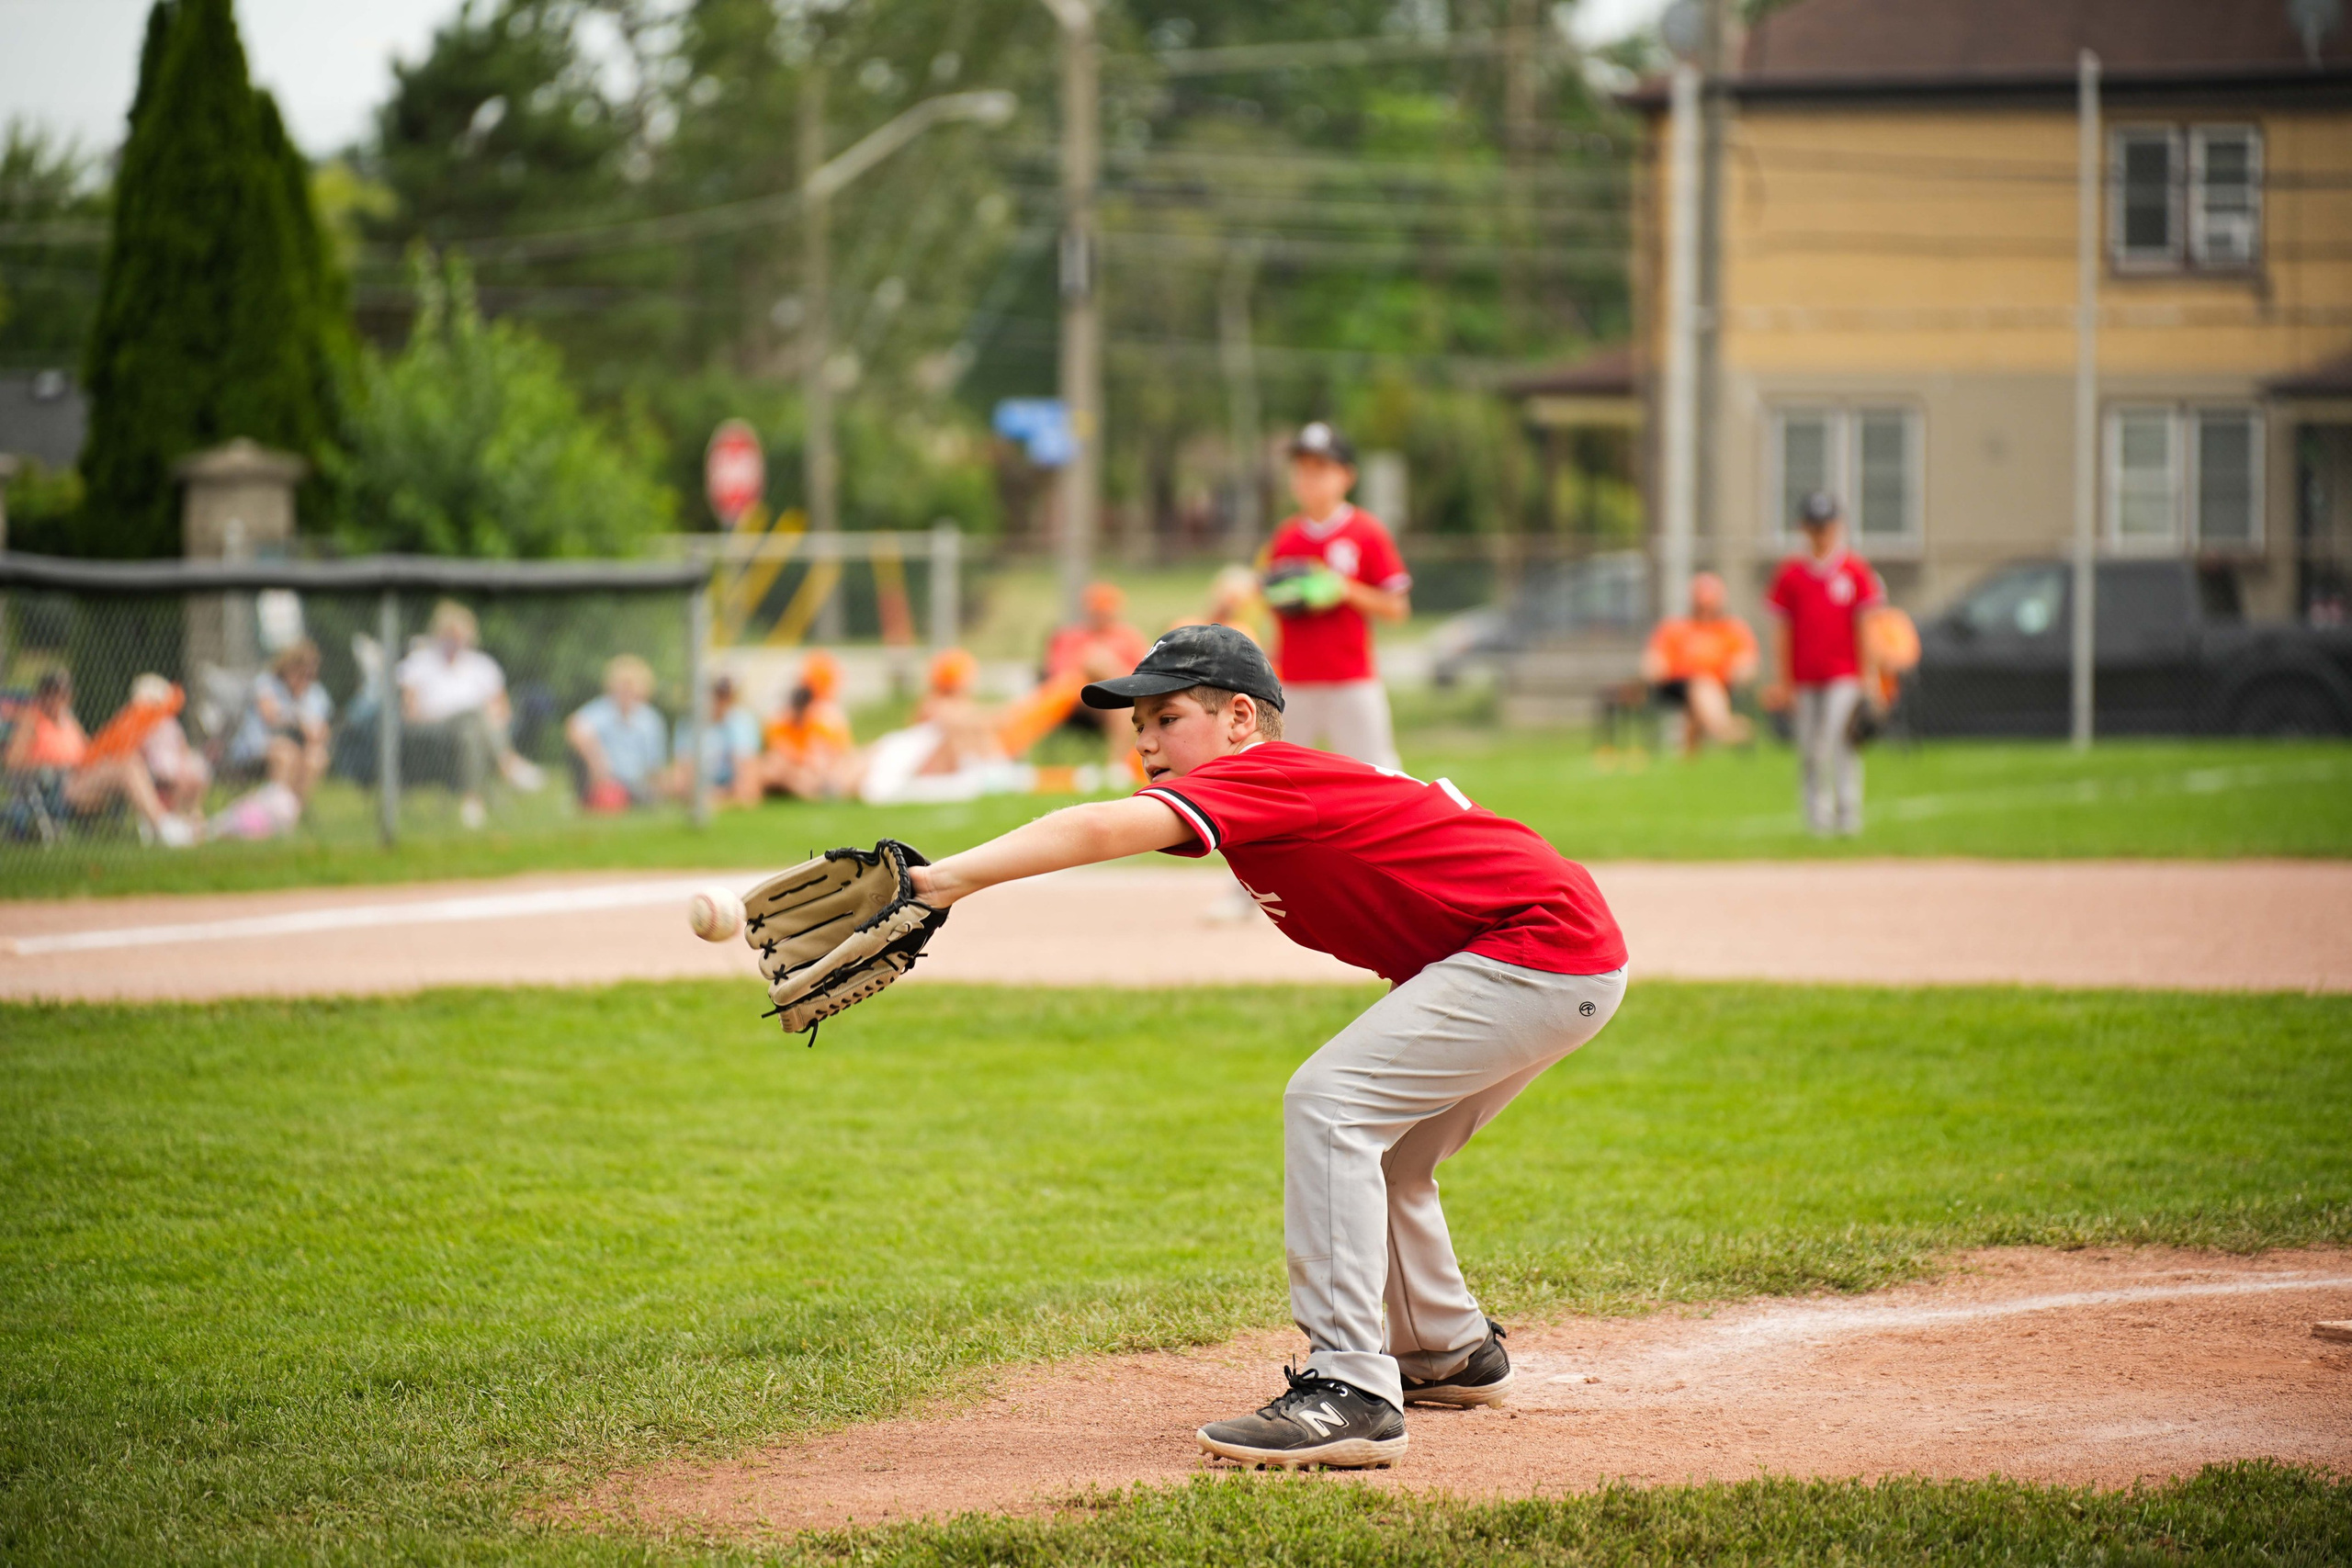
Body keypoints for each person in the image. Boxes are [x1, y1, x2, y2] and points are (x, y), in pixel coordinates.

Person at [902, 625, 1627, 1469]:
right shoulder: (1269, 793)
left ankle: (1351, 1387)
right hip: (1546, 952)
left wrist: (937, 880)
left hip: (1538, 951)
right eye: (1138, 724)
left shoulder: (1263, 773)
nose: (1144, 741)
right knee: (1385, 1149)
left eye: (1167, 716)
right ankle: (1443, 1347)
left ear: (1240, 716)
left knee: (1331, 1103)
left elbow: (1102, 829)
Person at [1260, 422, 1410, 770]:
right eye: (1301, 469)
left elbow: (1397, 608)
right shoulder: (1286, 539)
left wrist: (1344, 589)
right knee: (1281, 776)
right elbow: (1274, 609)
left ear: (1346, 476)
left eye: (1320, 469)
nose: (1308, 479)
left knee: (1378, 777)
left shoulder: (1366, 532)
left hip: (1351, 680)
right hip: (1293, 682)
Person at [1764, 491, 1886, 836]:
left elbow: (1866, 629)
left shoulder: (1854, 571)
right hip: (1804, 676)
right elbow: (1781, 632)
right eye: (1814, 526)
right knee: (1810, 749)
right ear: (1803, 528)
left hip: (1844, 674)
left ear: (1838, 526)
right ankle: (1817, 818)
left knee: (1840, 741)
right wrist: (1783, 681)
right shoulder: (1791, 575)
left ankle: (1848, 814)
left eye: (1826, 525)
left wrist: (1870, 678)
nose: (1820, 533)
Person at [4, 671, 197, 845]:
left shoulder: (68, 720)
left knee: (130, 759)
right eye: (52, 693)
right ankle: (164, 826)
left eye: (63, 693)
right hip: (57, 784)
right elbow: (12, 762)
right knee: (125, 767)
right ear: (42, 695)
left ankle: (166, 822)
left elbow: (86, 749)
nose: (58, 699)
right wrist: (51, 766)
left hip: (82, 775)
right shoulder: (31, 719)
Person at [396, 600, 543, 829]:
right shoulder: (419, 663)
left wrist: (491, 720)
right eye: (449, 634)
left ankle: (472, 802)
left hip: (475, 731)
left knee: (470, 730)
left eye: (459, 634)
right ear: (438, 633)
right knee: (471, 715)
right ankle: (508, 764)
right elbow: (410, 711)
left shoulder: (483, 665)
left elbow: (502, 709)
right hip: (431, 730)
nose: (455, 640)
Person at [1640, 571, 1758, 755]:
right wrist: (1656, 668)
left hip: (1720, 685)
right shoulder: (1675, 628)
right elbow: (1654, 661)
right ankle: (1725, 728)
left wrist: (1740, 672)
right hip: (1679, 685)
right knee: (1701, 685)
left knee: (1702, 692)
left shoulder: (1732, 629)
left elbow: (1746, 662)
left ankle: (1689, 756)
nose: (1705, 610)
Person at [1045, 581, 1150, 767]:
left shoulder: (1129, 637)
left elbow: (1145, 673)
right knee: (1095, 659)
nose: (1101, 615)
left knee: (1122, 705)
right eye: (1097, 610)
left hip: (1123, 702)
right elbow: (1059, 677)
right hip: (1080, 700)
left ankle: (1118, 765)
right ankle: (1119, 765)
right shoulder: (1071, 637)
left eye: (1106, 610)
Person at [227, 640, 333, 805]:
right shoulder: (266, 683)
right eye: (301, 673)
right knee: (286, 754)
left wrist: (314, 732)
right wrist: (300, 722)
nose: (305, 679)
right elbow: (270, 716)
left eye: (310, 675)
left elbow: (321, 731)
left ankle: (293, 810)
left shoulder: (316, 693)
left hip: (298, 747)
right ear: (288, 668)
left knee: (317, 757)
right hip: (256, 745)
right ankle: (275, 809)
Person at [567, 655, 672, 811]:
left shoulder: (650, 720)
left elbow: (655, 766)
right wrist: (597, 760)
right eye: (623, 686)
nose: (627, 692)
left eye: (631, 686)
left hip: (636, 782)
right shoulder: (602, 710)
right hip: (605, 778)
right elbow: (575, 728)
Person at [762, 651, 856, 801]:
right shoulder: (780, 722)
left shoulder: (822, 720)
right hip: (793, 770)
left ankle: (820, 790)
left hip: (809, 772)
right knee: (778, 766)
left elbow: (833, 756)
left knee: (812, 772)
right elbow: (778, 754)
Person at [131, 673, 212, 815]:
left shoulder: (169, 723)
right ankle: (177, 814)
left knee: (195, 776)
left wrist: (184, 762)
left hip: (176, 760)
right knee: (181, 780)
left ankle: (193, 812)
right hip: (158, 764)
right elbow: (141, 751)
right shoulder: (142, 727)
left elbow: (182, 746)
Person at [687, 674, 766, 808]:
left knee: (747, 791)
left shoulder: (741, 722)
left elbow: (746, 772)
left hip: (729, 784)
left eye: (726, 696)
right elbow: (686, 769)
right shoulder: (692, 722)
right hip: (705, 785)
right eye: (718, 695)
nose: (722, 701)